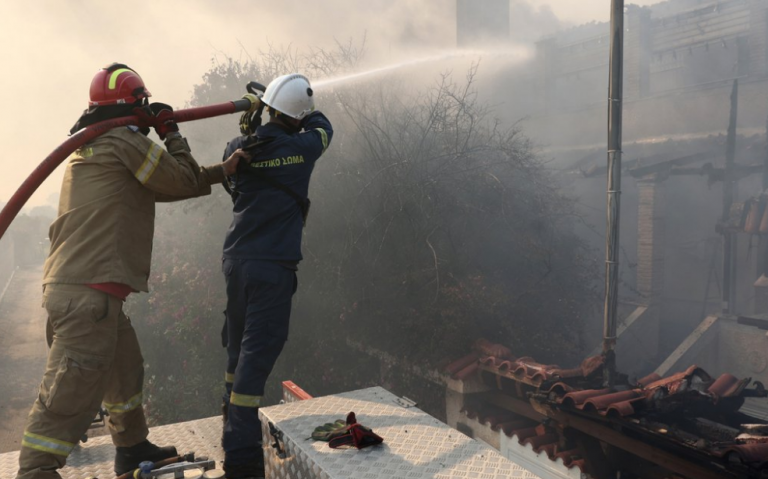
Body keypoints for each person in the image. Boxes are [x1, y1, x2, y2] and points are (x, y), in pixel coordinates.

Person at [16, 63, 249, 479]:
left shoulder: (95, 146)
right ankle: (35, 470)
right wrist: (170, 131)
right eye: (144, 103)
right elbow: (180, 179)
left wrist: (221, 171)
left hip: (87, 292)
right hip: (87, 296)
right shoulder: (124, 142)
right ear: (134, 105)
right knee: (70, 390)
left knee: (124, 369)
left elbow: (162, 185)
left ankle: (132, 447)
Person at [220, 73, 333, 478]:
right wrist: (302, 111)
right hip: (272, 267)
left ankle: (229, 422)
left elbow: (236, 157)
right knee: (256, 356)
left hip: (236, 262)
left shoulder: (237, 148)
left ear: (269, 108)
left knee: (237, 349)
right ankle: (241, 457)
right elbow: (323, 127)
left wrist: (257, 115)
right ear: (298, 115)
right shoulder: (303, 147)